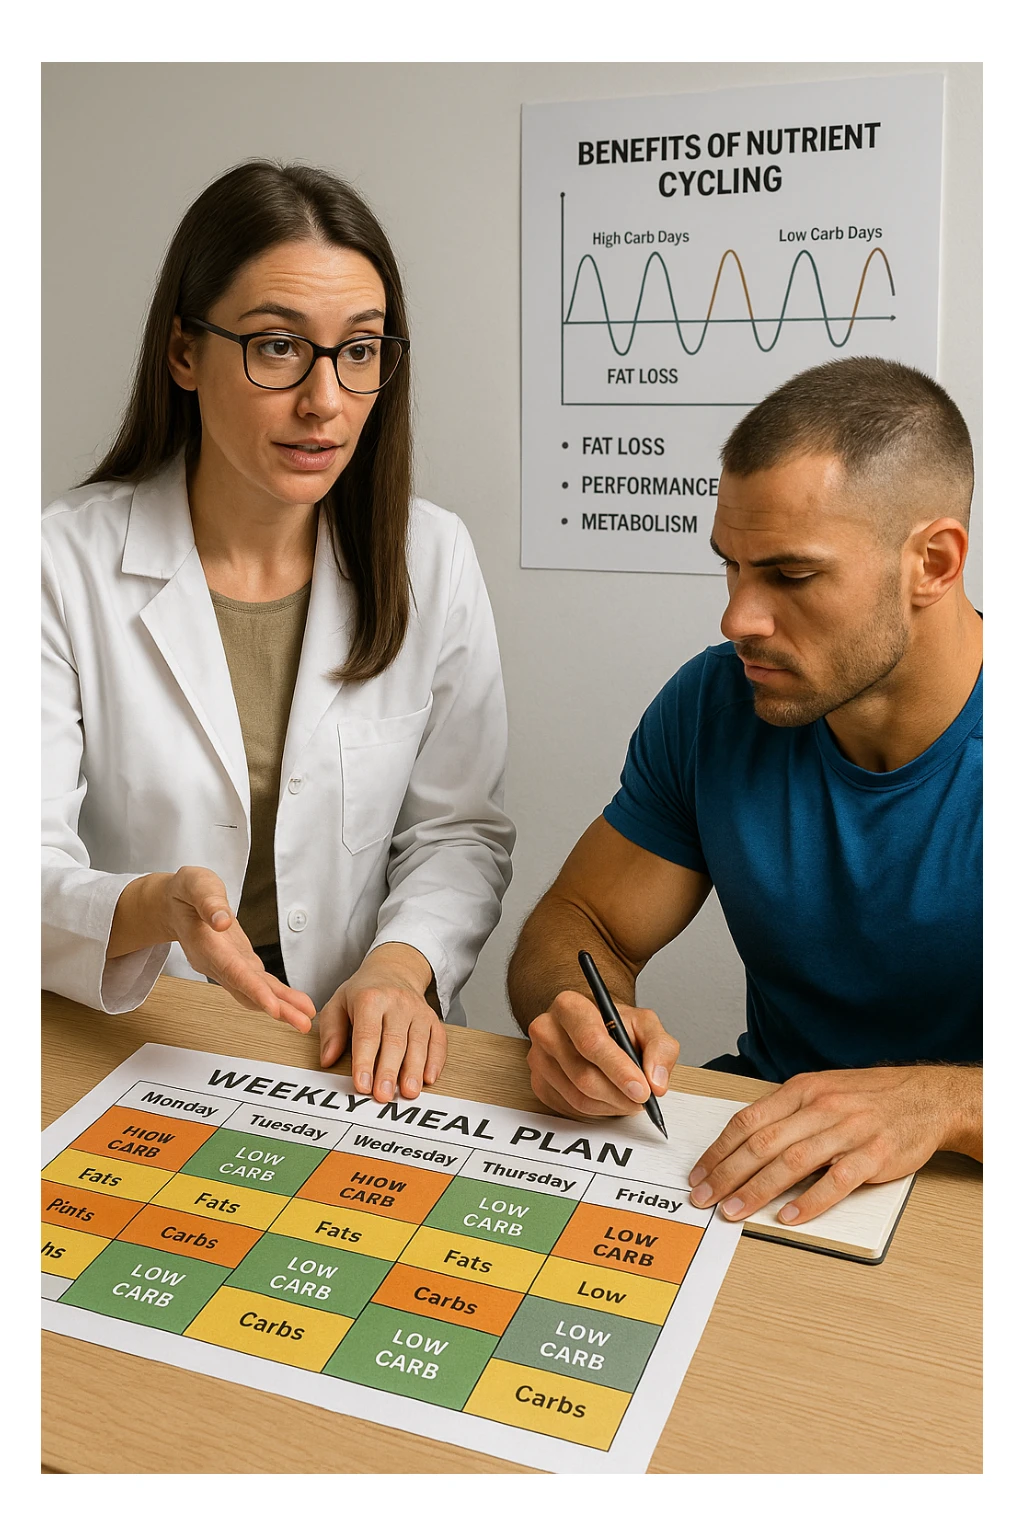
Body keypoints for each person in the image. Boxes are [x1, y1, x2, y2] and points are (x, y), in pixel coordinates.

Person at [43, 159, 514, 1104]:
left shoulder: (433, 555)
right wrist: (147, 908)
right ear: (184, 353)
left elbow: (457, 831)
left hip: (356, 1051)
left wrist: (400, 967)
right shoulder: (55, 563)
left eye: (361, 349)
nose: (326, 402)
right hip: (140, 1036)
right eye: (276, 347)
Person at [507, 356, 981, 1226]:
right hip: (757, 1169)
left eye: (792, 577)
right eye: (731, 566)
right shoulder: (714, 704)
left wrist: (944, 1105)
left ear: (934, 562)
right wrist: (580, 1020)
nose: (738, 620)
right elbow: (581, 926)